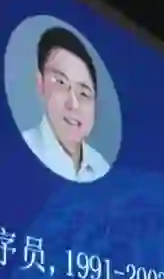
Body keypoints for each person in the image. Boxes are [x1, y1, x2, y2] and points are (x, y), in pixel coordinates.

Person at [21, 26, 110, 183]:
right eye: (61, 83)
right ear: (40, 83)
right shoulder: (24, 147)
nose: (73, 104)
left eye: (84, 93)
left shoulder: (101, 166)